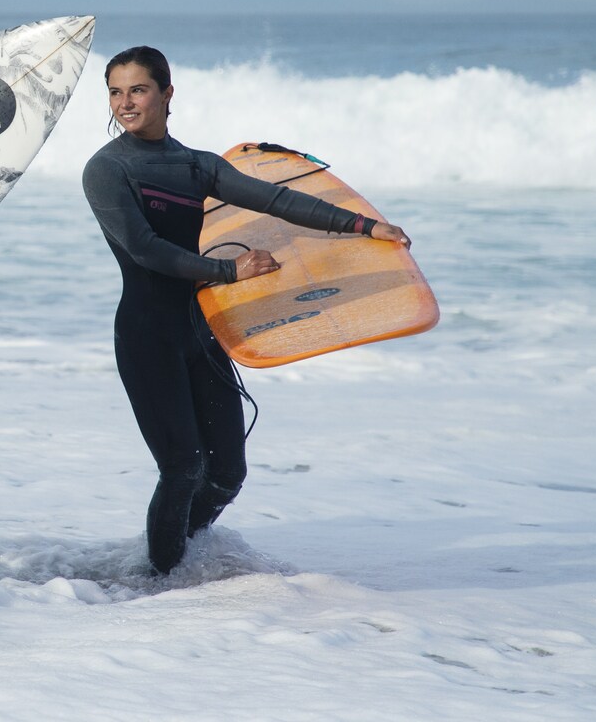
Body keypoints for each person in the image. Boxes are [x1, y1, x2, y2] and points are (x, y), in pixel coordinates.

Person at [81, 46, 409, 575]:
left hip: (201, 333)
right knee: (183, 469)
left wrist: (364, 226)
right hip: (148, 336)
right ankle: (158, 586)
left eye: (137, 89)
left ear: (166, 93)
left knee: (227, 474)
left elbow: (276, 201)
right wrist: (232, 272)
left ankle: (178, 561)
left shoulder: (197, 165)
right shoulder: (106, 169)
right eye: (115, 92)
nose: (125, 102)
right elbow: (145, 249)